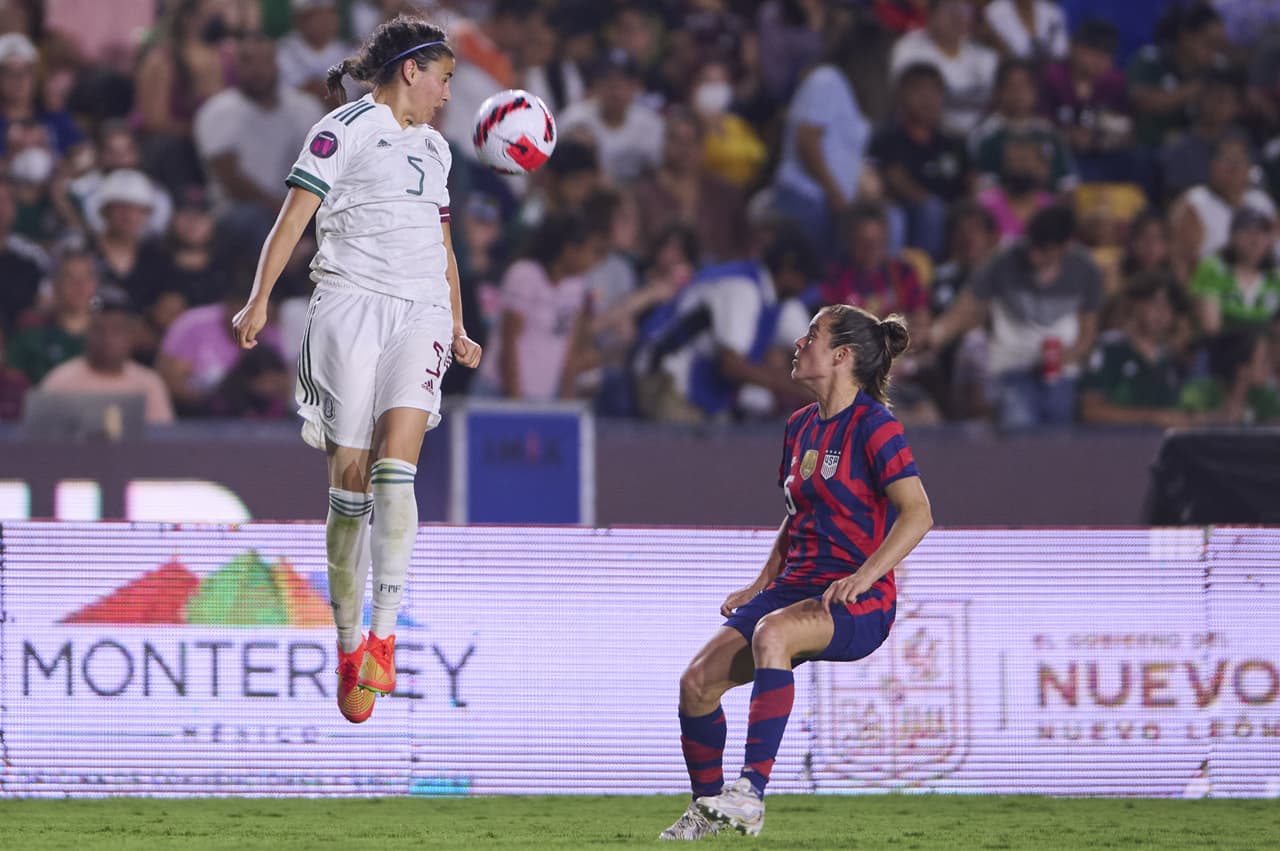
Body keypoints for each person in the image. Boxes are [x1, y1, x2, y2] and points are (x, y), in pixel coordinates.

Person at [230, 15, 483, 725]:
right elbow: (292, 220)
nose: (445, 94)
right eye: (443, 78)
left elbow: (444, 245)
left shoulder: (436, 149)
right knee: (350, 482)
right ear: (411, 71)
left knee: (395, 470)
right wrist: (258, 301)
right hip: (348, 304)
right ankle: (346, 641)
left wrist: (459, 324)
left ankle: (385, 634)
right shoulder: (339, 128)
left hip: (421, 312)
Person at [660, 303, 933, 840]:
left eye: (811, 336)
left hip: (855, 600)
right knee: (695, 683)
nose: (798, 344)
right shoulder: (800, 427)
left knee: (773, 632)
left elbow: (919, 513)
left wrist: (867, 575)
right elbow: (796, 516)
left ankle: (750, 796)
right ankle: (709, 812)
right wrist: (762, 581)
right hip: (793, 587)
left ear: (841, 356)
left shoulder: (876, 426)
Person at [40, 297, 175, 426]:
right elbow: (41, 441)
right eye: (99, 329)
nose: (107, 338)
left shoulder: (150, 383)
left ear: (131, 334)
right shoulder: (60, 381)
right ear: (87, 333)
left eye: (116, 330)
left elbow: (162, 441)